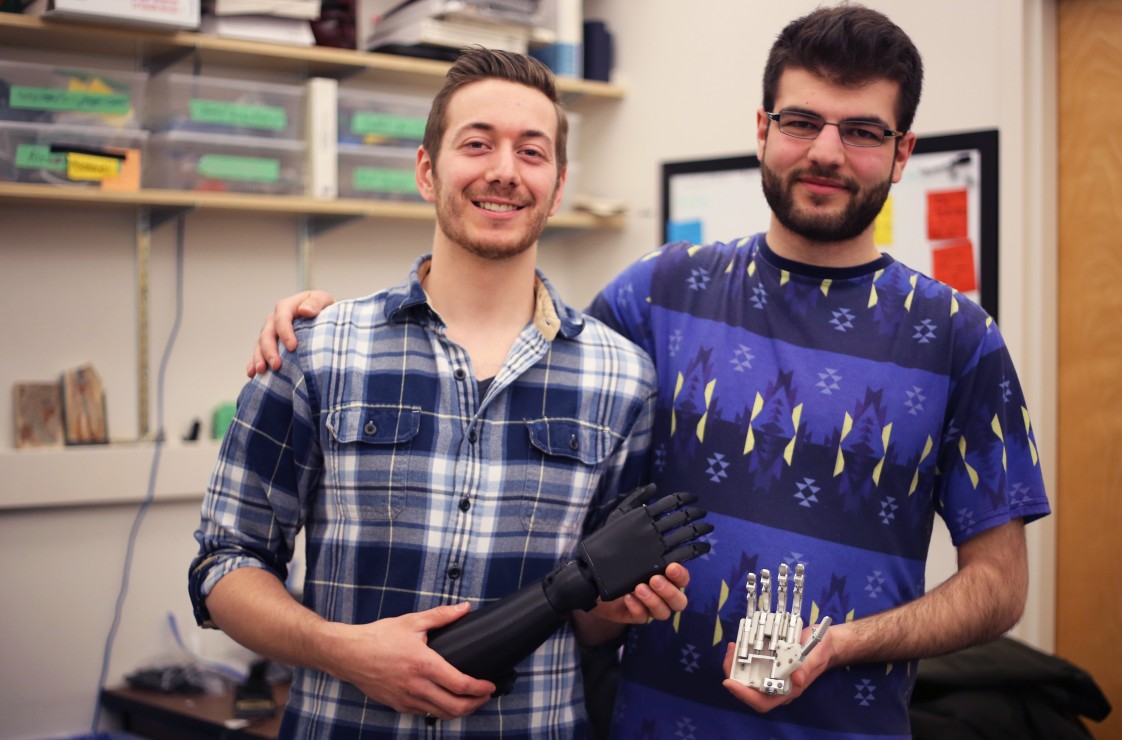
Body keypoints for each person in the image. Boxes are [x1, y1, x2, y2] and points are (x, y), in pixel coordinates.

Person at [247, 5, 1052, 738]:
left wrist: (848, 644)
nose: (826, 153)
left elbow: (999, 587)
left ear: (904, 150)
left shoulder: (958, 339)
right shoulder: (664, 292)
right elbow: (511, 348)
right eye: (802, 121)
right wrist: (345, 320)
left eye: (864, 131)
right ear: (763, 128)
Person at [190, 48, 700, 739]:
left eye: (531, 151)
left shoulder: (624, 380)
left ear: (557, 186)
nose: (503, 171)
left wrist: (621, 604)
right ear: (428, 171)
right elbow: (224, 564)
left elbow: (589, 621)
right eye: (477, 143)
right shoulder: (320, 349)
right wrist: (345, 651)